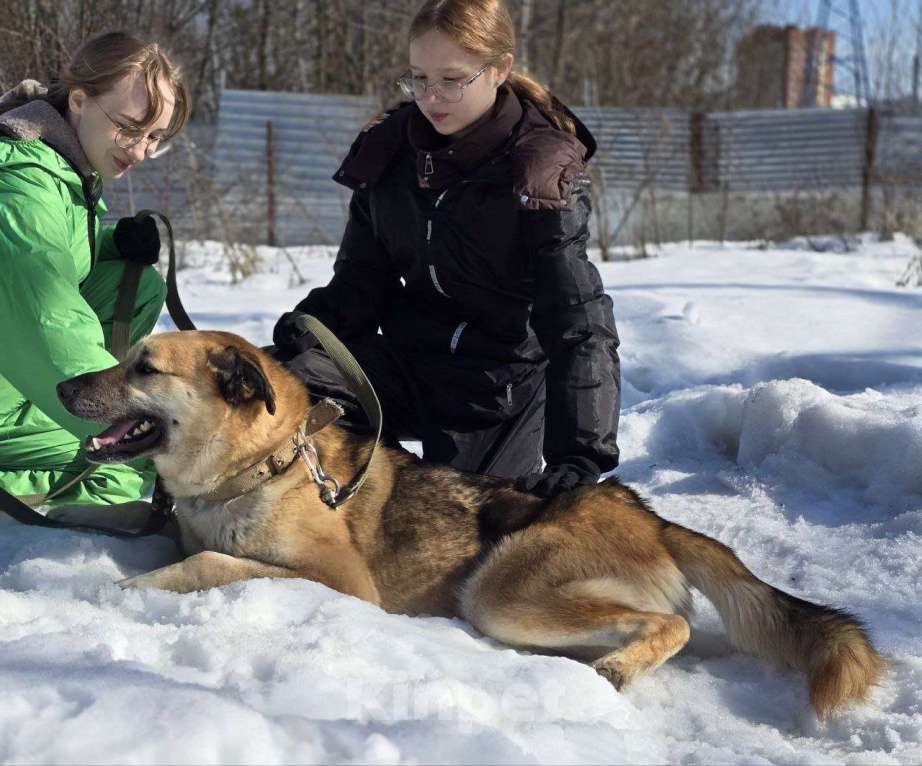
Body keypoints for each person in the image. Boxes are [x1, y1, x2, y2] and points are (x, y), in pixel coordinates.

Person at [274, 0, 620, 497]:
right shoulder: (389, 152)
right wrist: (314, 325)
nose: (431, 97)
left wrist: (580, 452)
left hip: (497, 386)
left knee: (456, 513)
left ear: (499, 69)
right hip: (409, 362)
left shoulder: (539, 170)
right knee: (279, 387)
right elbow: (362, 280)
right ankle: (363, 487)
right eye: (418, 79)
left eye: (451, 80)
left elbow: (577, 317)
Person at [0, 32, 189, 507]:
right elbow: (46, 311)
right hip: (14, 376)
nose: (140, 151)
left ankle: (63, 411)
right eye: (129, 128)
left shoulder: (58, 163)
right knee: (132, 462)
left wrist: (110, 245)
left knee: (136, 282)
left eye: (154, 137)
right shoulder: (22, 183)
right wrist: (125, 415)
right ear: (80, 100)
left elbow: (42, 257)